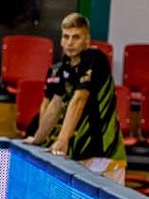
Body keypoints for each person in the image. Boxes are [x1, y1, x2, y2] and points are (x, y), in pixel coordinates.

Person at [25, 14, 125, 184]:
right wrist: (38, 139)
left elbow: (79, 100)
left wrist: (62, 141)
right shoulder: (65, 65)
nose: (70, 43)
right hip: (80, 155)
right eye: (66, 37)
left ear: (87, 40)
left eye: (76, 37)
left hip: (104, 154)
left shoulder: (95, 58)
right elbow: (56, 104)